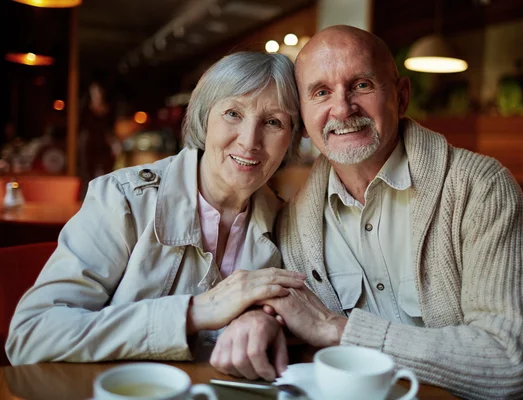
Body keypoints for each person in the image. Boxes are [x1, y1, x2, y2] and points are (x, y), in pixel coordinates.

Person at [210, 26, 523, 398]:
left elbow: (510, 366)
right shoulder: (294, 221)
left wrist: (338, 330)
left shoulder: (481, 188)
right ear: (302, 121)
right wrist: (258, 319)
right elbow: (291, 312)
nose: (343, 108)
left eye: (362, 85)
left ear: (401, 97)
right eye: (321, 92)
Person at [6, 52, 305, 376]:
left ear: (292, 137)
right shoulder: (122, 200)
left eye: (273, 122)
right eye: (233, 113)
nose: (249, 141)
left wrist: (263, 318)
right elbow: (30, 335)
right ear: (204, 119)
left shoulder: (288, 221)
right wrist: (195, 312)